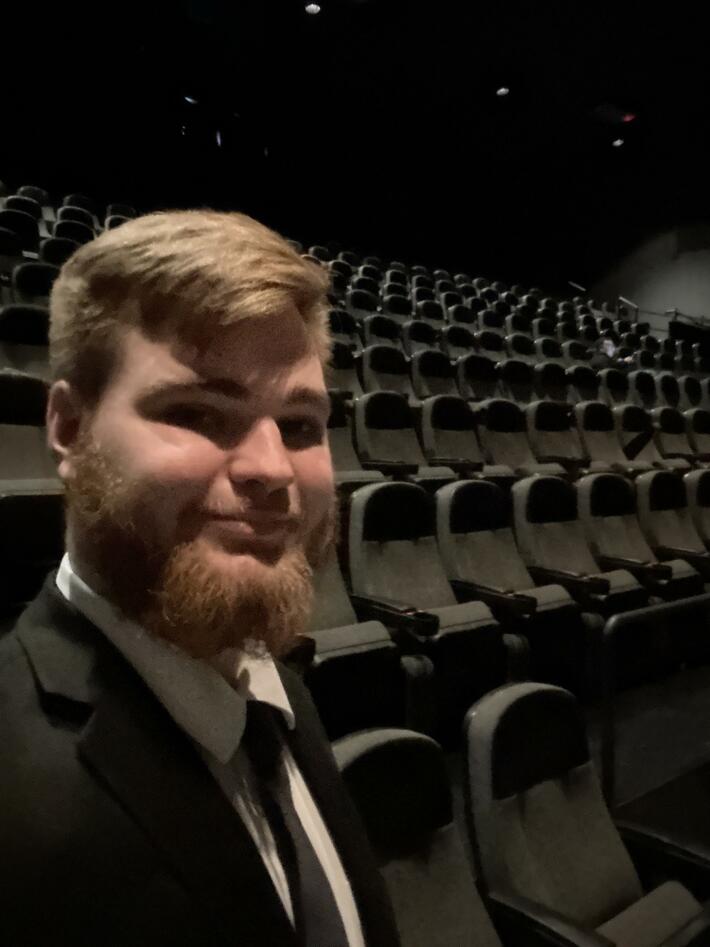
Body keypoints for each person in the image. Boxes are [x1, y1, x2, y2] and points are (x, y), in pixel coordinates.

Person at [0, 211, 400, 947]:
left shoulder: (270, 688)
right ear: (67, 428)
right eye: (195, 411)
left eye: (302, 425)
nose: (273, 470)